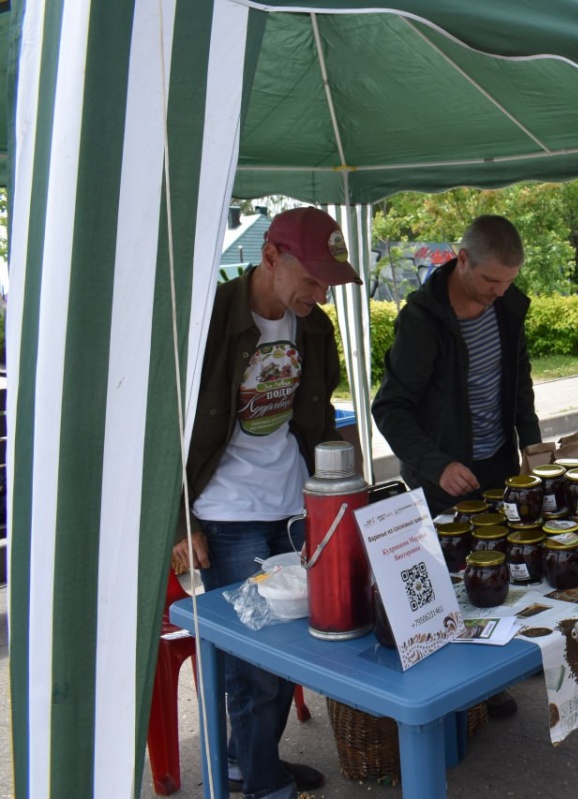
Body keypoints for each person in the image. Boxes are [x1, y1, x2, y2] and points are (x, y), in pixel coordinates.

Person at [171, 206, 362, 799]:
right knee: (257, 664)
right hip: (227, 516)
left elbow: (320, 420)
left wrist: (347, 497)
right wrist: (179, 523)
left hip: (294, 507)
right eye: (311, 277)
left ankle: (243, 762)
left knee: (286, 651)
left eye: (329, 280)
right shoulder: (207, 320)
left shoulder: (314, 330)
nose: (319, 291)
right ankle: (263, 783)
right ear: (271, 256)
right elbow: (162, 427)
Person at [373, 214, 540, 718]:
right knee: (447, 587)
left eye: (507, 281)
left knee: (496, 575)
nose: (497, 291)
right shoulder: (422, 320)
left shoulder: (507, 305)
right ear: (461, 258)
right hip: (440, 478)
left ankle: (492, 679)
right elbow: (390, 407)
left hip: (497, 466)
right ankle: (448, 697)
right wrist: (436, 463)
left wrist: (530, 441)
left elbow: (520, 377)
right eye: (490, 280)